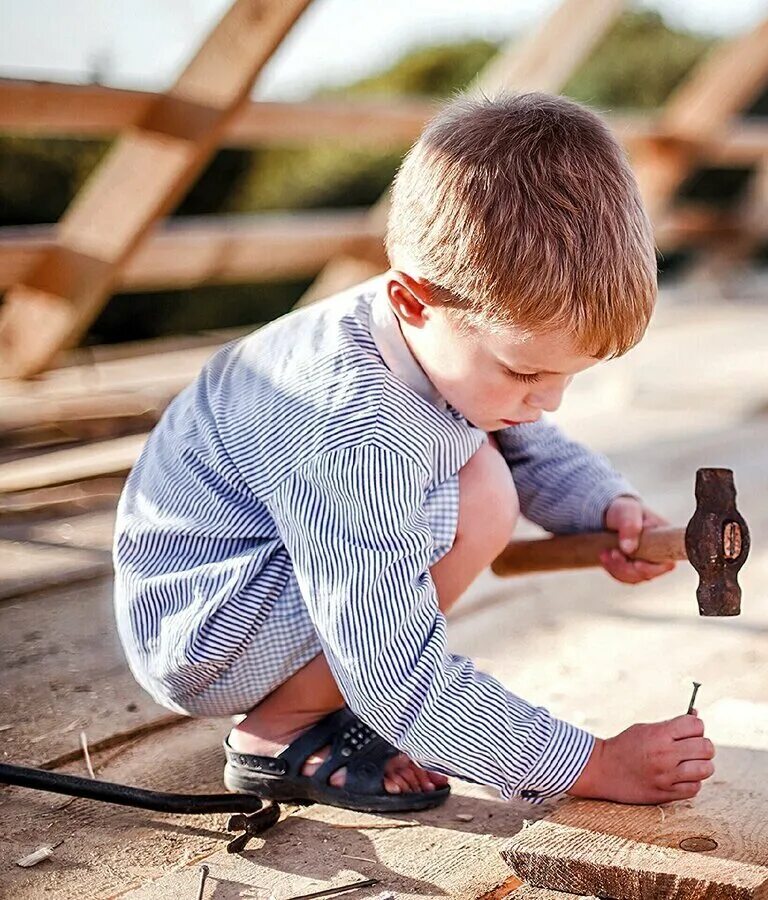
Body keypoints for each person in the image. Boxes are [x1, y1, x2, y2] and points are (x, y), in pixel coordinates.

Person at [113, 92, 716, 813]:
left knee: (486, 460)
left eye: (570, 375)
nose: (550, 398)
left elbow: (523, 435)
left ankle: (309, 702)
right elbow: (394, 667)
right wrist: (590, 764)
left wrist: (604, 507)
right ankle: (282, 728)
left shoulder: (443, 324)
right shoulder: (356, 433)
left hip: (259, 585)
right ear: (413, 301)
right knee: (481, 492)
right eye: (527, 372)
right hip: (207, 631)